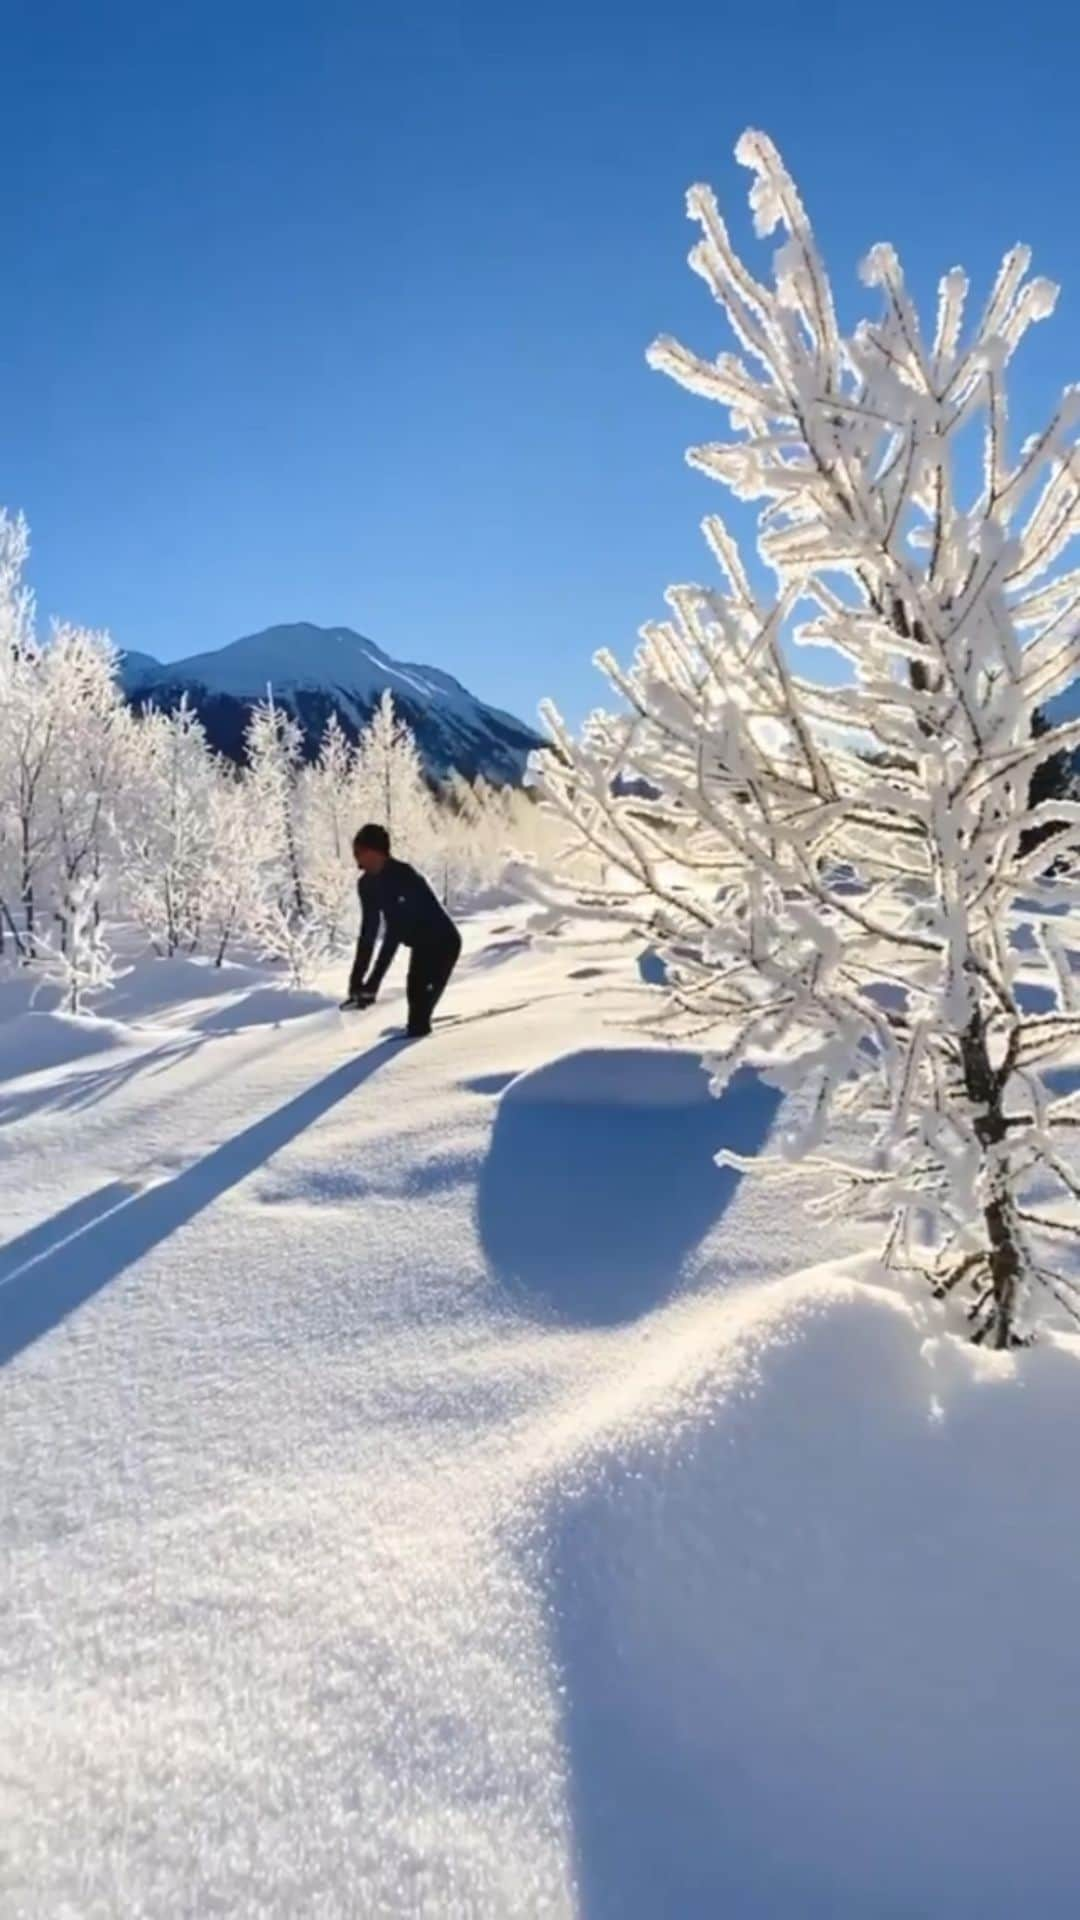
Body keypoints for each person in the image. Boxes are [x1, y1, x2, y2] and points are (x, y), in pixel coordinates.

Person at [340, 824, 462, 1038]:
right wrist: (356, 982)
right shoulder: (366, 884)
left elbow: (393, 934)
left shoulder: (404, 876)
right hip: (421, 946)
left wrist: (374, 982)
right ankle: (415, 1032)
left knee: (419, 1010)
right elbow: (368, 932)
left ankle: (418, 1059)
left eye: (359, 854)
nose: (357, 863)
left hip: (444, 943)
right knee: (415, 999)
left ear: (375, 852)